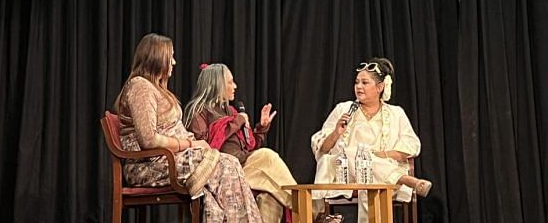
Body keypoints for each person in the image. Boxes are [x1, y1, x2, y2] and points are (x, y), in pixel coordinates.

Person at [113, 33, 262, 223]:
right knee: (226, 164)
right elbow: (148, 139)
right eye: (171, 56)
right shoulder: (140, 86)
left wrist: (197, 144)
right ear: (157, 57)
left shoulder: (158, 89)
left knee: (227, 166)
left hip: (169, 160)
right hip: (149, 165)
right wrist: (189, 143)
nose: (174, 62)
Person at [310, 57, 432, 223]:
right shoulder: (343, 109)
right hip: (346, 175)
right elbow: (322, 148)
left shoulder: (396, 113)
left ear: (380, 87)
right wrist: (336, 133)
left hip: (380, 178)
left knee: (368, 173)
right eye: (357, 82)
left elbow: (411, 146)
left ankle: (389, 174)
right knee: (355, 153)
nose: (358, 87)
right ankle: (404, 179)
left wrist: (381, 155)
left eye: (365, 82)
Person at [184, 63, 297, 223]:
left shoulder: (232, 111)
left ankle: (307, 209)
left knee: (269, 198)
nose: (235, 86)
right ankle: (312, 211)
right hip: (223, 173)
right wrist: (237, 121)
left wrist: (261, 129)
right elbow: (205, 148)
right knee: (267, 156)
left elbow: (249, 147)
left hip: (244, 164)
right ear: (218, 84)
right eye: (230, 82)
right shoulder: (199, 113)